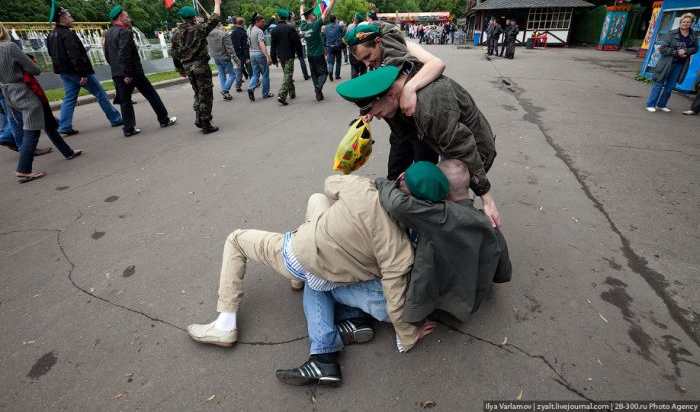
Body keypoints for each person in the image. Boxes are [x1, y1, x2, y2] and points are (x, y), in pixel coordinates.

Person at [186, 174, 429, 368]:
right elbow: (395, 299)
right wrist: (408, 336)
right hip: (336, 264)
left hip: (299, 255)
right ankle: (301, 280)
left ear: (400, 177)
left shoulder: (362, 187)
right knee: (315, 200)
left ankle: (225, 322)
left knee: (236, 240)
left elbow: (331, 182)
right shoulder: (401, 248)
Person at [337, 65, 501, 228]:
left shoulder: (431, 108)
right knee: (442, 197)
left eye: (379, 112)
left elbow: (463, 148)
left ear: (392, 94)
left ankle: (463, 236)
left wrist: (486, 197)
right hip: (446, 142)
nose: (379, 118)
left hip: (474, 153)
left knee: (455, 200)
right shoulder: (396, 89)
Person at [377, 160, 511, 324]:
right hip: (468, 301)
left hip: (433, 305)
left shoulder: (440, 215)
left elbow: (396, 204)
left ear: (441, 188)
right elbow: (504, 270)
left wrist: (384, 183)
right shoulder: (487, 222)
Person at [343, 23, 444, 179]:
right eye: (362, 60)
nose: (367, 64)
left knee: (424, 179)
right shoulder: (376, 59)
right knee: (394, 176)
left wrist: (409, 87)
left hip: (422, 131)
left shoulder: (404, 48)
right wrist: (368, 112)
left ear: (378, 41)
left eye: (368, 57)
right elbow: (376, 94)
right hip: (399, 131)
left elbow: (437, 64)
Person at [0, 23, 81, 183]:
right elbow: (34, 70)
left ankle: (67, 151)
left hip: (8, 93)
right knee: (33, 131)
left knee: (48, 124)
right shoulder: (9, 47)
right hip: (25, 91)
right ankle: (23, 170)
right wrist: (29, 62)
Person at [46, 0, 123, 135]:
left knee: (69, 98)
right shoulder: (67, 34)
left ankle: (64, 126)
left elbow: (52, 54)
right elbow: (74, 55)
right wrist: (83, 74)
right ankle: (115, 118)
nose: (72, 19)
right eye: (69, 17)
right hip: (77, 71)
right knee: (100, 94)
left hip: (64, 72)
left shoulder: (51, 35)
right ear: (62, 18)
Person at [104, 5, 177, 137]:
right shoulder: (124, 32)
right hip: (132, 72)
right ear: (120, 17)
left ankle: (128, 128)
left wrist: (118, 70)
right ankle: (164, 119)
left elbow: (108, 55)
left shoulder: (108, 34)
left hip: (118, 73)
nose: (129, 18)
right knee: (151, 94)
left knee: (125, 101)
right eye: (127, 16)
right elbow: (124, 53)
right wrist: (128, 73)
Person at [172, 0, 223, 134]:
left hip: (188, 67)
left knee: (197, 92)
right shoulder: (198, 28)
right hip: (200, 65)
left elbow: (175, 53)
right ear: (194, 16)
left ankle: (199, 117)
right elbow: (215, 19)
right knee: (205, 94)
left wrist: (180, 70)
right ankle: (206, 123)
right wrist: (217, 3)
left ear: (182, 18)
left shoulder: (176, 34)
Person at [645, 13, 698, 113]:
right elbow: (663, 49)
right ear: (680, 22)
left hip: (680, 64)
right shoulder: (671, 33)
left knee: (670, 86)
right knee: (659, 83)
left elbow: (695, 48)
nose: (685, 24)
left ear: (691, 23)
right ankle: (651, 104)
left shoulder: (693, 35)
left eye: (688, 22)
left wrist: (686, 51)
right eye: (683, 22)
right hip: (667, 63)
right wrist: (677, 53)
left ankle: (661, 105)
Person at [300, 0, 337, 102]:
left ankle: (318, 94)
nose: (313, 15)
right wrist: (333, 0)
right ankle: (318, 87)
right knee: (324, 73)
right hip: (319, 54)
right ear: (310, 17)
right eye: (312, 14)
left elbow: (302, 17)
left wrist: (301, 9)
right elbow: (326, 12)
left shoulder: (303, 26)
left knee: (314, 74)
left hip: (310, 55)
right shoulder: (315, 25)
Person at [270, 9, 304, 106]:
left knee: (287, 74)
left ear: (278, 17)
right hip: (289, 55)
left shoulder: (274, 30)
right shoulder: (290, 28)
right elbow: (297, 43)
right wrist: (300, 54)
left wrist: (274, 59)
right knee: (288, 75)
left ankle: (292, 93)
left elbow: (273, 46)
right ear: (286, 18)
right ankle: (281, 95)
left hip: (281, 56)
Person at [206, 20, 239, 101]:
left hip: (215, 57)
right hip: (224, 57)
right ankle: (225, 90)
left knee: (222, 74)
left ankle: (225, 92)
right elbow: (230, 49)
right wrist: (236, 60)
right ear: (218, 24)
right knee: (232, 74)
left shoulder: (208, 33)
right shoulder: (223, 34)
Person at [246, 14, 274, 102]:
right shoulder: (259, 31)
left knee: (255, 74)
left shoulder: (249, 30)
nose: (263, 23)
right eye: (262, 22)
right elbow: (261, 44)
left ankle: (250, 87)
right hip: (259, 54)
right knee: (265, 74)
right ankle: (265, 93)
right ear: (257, 22)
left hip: (252, 54)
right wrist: (268, 57)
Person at [230, 17, 250, 93]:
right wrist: (247, 57)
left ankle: (238, 86)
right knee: (249, 69)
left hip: (236, 54)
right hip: (243, 54)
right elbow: (245, 46)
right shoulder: (243, 32)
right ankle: (254, 82)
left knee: (239, 70)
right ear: (242, 23)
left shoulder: (233, 33)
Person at [346, 13, 367, 79]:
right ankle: (362, 83)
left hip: (354, 51)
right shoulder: (364, 26)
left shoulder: (350, 26)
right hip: (361, 50)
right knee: (362, 69)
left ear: (356, 19)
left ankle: (355, 84)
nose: (353, 18)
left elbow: (347, 37)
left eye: (354, 17)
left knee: (354, 70)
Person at [324, 15, 344, 81]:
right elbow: (343, 33)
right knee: (338, 61)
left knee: (330, 61)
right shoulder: (339, 26)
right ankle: (337, 75)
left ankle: (330, 72)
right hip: (337, 45)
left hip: (329, 46)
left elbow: (324, 35)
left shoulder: (326, 27)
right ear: (335, 20)